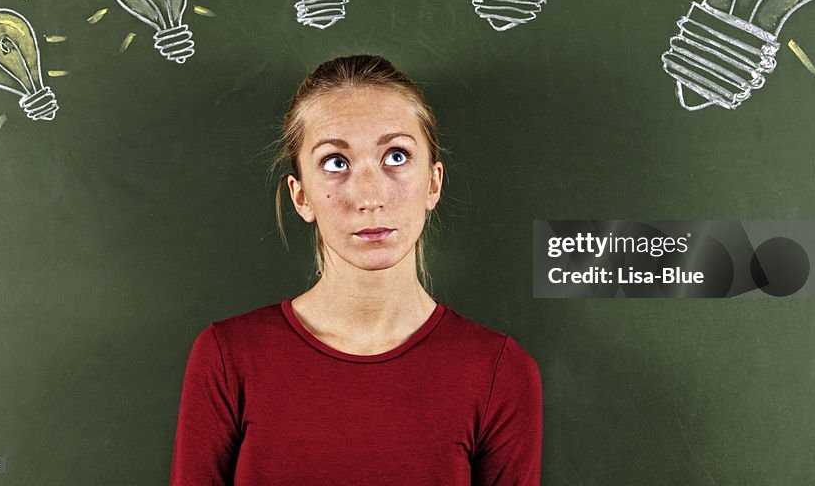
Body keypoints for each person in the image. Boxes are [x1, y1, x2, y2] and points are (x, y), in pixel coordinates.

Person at [170, 55, 542, 485]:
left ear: (433, 183)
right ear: (301, 196)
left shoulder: (499, 371)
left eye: (397, 156)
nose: (370, 196)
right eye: (335, 162)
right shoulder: (228, 358)